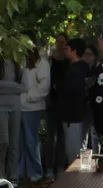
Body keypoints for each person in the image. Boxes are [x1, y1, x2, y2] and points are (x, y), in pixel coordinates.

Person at [0, 56, 28, 184]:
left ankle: (13, 175)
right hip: (0, 107)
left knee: (14, 143)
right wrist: (13, 86)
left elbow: (24, 87)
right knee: (4, 140)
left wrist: (3, 87)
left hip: (15, 107)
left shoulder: (19, 63)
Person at [19, 35, 51, 183]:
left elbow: (44, 86)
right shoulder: (19, 59)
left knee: (32, 141)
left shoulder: (41, 62)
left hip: (33, 108)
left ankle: (36, 172)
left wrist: (27, 97)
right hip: (19, 107)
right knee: (19, 141)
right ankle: (21, 172)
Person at [59, 38, 91, 166]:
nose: (65, 51)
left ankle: (75, 178)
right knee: (79, 148)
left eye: (67, 49)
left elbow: (72, 90)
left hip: (72, 115)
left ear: (74, 51)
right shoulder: (85, 68)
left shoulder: (75, 70)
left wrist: (60, 87)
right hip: (80, 114)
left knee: (73, 151)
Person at [46, 32, 69, 179]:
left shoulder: (69, 63)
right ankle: (48, 169)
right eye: (58, 42)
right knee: (51, 138)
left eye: (63, 42)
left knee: (63, 138)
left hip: (65, 105)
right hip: (52, 103)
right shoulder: (50, 61)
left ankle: (61, 168)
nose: (60, 45)